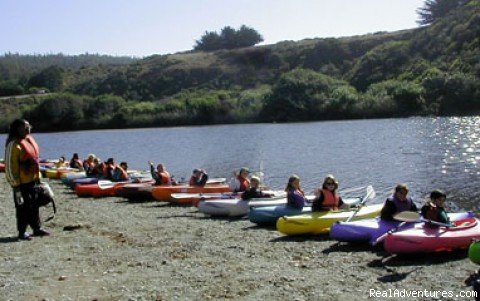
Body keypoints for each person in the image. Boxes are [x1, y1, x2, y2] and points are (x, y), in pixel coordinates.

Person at [4, 119, 50, 240]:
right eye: (25, 127)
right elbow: (10, 167)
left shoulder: (28, 141)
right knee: (22, 208)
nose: (28, 129)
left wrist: (38, 178)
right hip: (20, 184)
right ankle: (22, 232)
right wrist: (15, 185)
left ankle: (36, 228)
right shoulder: (13, 145)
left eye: (29, 126)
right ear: (17, 129)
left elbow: (34, 161)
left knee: (34, 206)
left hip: (33, 180)